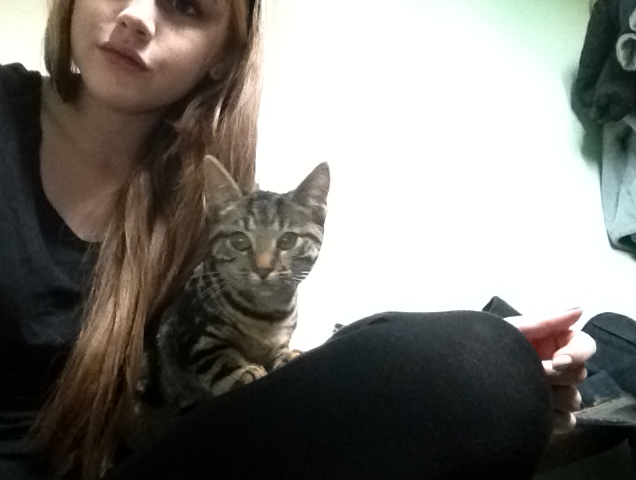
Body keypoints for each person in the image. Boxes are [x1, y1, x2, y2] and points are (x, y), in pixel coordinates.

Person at [0, 0, 597, 479]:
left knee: (487, 373)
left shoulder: (206, 206)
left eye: (185, 5)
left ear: (222, 54)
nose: (136, 15)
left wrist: (488, 361)